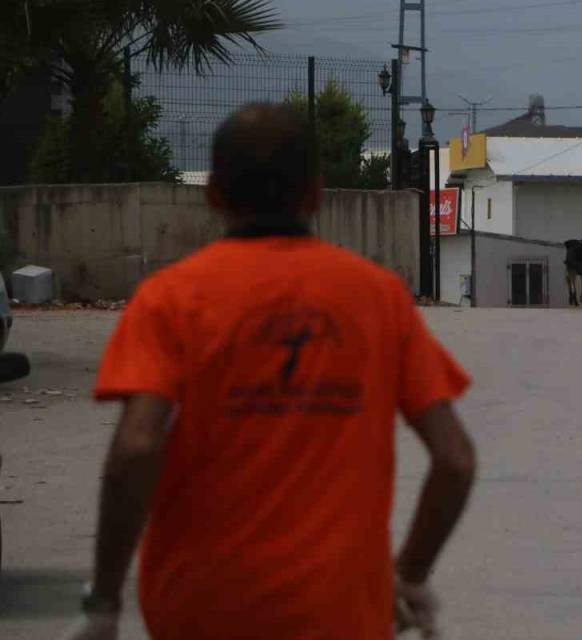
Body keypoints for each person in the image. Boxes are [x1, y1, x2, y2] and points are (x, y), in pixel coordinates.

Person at [65, 103, 477, 640]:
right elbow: (455, 459)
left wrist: (103, 602)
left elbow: (137, 446)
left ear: (213, 194)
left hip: (200, 611)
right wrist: (410, 576)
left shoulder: (170, 299)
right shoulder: (377, 298)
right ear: (316, 193)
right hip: (342, 613)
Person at [563, 239, 582, 306]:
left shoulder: (571, 248)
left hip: (572, 266)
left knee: (570, 280)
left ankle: (572, 294)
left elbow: (568, 260)